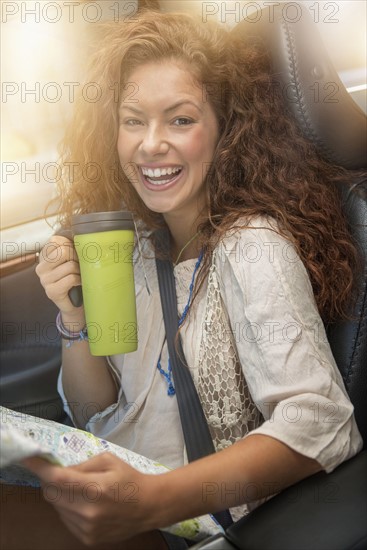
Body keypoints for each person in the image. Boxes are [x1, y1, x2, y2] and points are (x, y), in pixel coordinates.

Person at [2, 9, 363, 550]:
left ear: (224, 129)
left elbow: (321, 423)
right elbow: (95, 412)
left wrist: (154, 498)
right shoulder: (135, 249)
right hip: (119, 493)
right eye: (133, 120)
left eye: (180, 119)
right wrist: (74, 319)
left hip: (189, 521)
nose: (150, 144)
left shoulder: (253, 246)